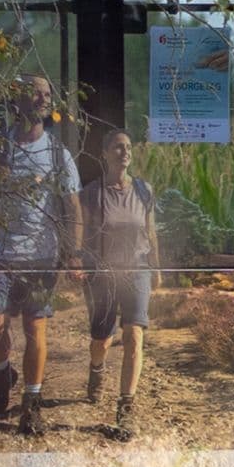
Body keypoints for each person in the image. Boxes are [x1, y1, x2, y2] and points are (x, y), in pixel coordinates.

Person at [0, 74, 80, 436]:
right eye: (34, 92)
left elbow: (73, 207)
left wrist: (74, 253)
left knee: (35, 328)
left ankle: (31, 406)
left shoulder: (57, 153)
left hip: (40, 257)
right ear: (17, 100)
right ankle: (3, 375)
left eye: (47, 93)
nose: (41, 98)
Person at [81, 127, 161, 438]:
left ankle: (125, 407)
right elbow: (85, 234)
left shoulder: (144, 190)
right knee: (102, 340)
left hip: (137, 268)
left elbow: (151, 231)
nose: (124, 152)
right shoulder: (93, 192)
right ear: (104, 153)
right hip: (104, 274)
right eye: (117, 147)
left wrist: (157, 268)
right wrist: (83, 266)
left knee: (134, 335)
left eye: (127, 146)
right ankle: (97, 368)